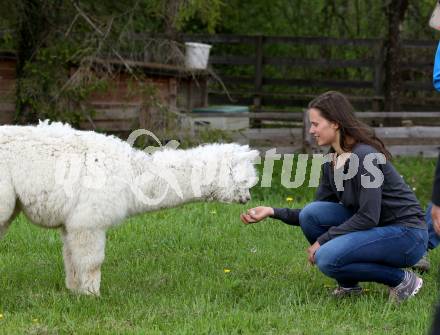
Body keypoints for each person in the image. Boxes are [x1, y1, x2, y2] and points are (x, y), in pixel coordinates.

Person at [241, 91, 428, 302]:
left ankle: (401, 280)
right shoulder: (331, 159)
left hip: (407, 235)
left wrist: (323, 241)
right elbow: (316, 212)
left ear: (335, 123)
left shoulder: (365, 157)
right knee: (312, 215)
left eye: (316, 124)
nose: (311, 130)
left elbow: (368, 216)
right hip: (377, 229)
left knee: (326, 258)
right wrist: (273, 212)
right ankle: (348, 285)